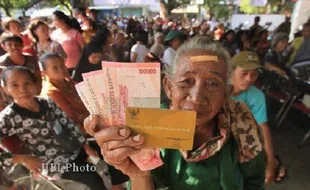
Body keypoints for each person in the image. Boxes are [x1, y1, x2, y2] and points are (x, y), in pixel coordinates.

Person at [84, 36, 266, 190]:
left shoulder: (242, 127)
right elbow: (140, 181)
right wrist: (140, 176)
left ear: (226, 94)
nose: (197, 97)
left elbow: (255, 183)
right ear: (169, 87)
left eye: (213, 84)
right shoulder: (148, 126)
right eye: (186, 81)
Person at [0, 66, 128, 190]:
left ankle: (117, 187)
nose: (22, 89)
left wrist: (85, 146)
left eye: (27, 83)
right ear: (5, 89)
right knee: (91, 176)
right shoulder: (8, 117)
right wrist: (22, 159)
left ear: (34, 84)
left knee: (111, 151)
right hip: (51, 161)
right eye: (15, 85)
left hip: (72, 146)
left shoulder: (46, 102)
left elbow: (67, 123)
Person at [231, 51, 286, 183]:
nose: (249, 79)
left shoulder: (256, 96)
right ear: (231, 70)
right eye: (244, 73)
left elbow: (262, 126)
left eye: (254, 74)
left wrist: (271, 160)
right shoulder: (216, 86)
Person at [40, 53, 88, 131]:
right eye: (55, 68)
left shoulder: (69, 81)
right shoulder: (51, 92)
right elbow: (71, 117)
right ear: (44, 73)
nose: (61, 70)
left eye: (62, 65)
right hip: (77, 130)